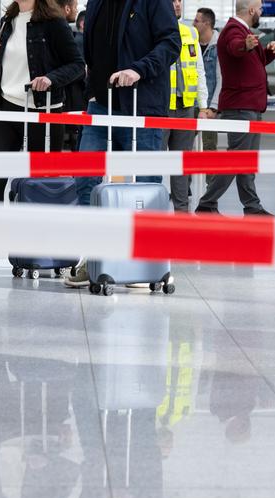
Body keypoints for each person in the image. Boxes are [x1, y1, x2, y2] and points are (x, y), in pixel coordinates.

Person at [63, 0, 180, 288]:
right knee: (85, 179)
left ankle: (142, 261)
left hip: (141, 103)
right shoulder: (96, 3)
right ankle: (94, 257)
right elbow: (92, 51)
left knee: (144, 185)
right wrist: (91, 90)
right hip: (100, 105)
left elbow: (171, 43)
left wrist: (139, 69)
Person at [0, 0, 85, 275]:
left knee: (43, 183)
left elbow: (77, 65)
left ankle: (46, 251)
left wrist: (51, 78)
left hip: (43, 112)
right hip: (5, 109)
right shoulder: (8, 21)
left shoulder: (53, 22)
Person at [193, 0, 275, 216]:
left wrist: (269, 52)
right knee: (237, 159)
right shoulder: (234, 31)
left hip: (249, 106)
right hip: (241, 107)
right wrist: (245, 45)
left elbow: (252, 63)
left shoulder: (244, 32)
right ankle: (207, 203)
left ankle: (252, 206)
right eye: (260, 9)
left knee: (246, 161)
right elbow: (234, 47)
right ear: (251, 10)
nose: (261, 12)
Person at [164, 0, 209, 213]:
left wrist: (203, 106)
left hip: (186, 107)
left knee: (181, 164)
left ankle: (181, 212)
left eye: (179, 1)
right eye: (172, 1)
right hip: (162, 108)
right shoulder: (153, 29)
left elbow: (199, 70)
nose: (177, 4)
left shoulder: (191, 32)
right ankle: (152, 210)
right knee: (153, 162)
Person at [194, 8, 223, 153]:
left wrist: (213, 108)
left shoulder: (219, 46)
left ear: (206, 24)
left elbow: (221, 78)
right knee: (185, 148)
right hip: (189, 106)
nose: (193, 24)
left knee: (208, 148)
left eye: (196, 21)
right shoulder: (191, 43)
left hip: (208, 109)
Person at [60, 0, 88, 151]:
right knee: (76, 135)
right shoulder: (80, 41)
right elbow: (79, 68)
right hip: (75, 94)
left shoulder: (75, 39)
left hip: (70, 95)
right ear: (83, 24)